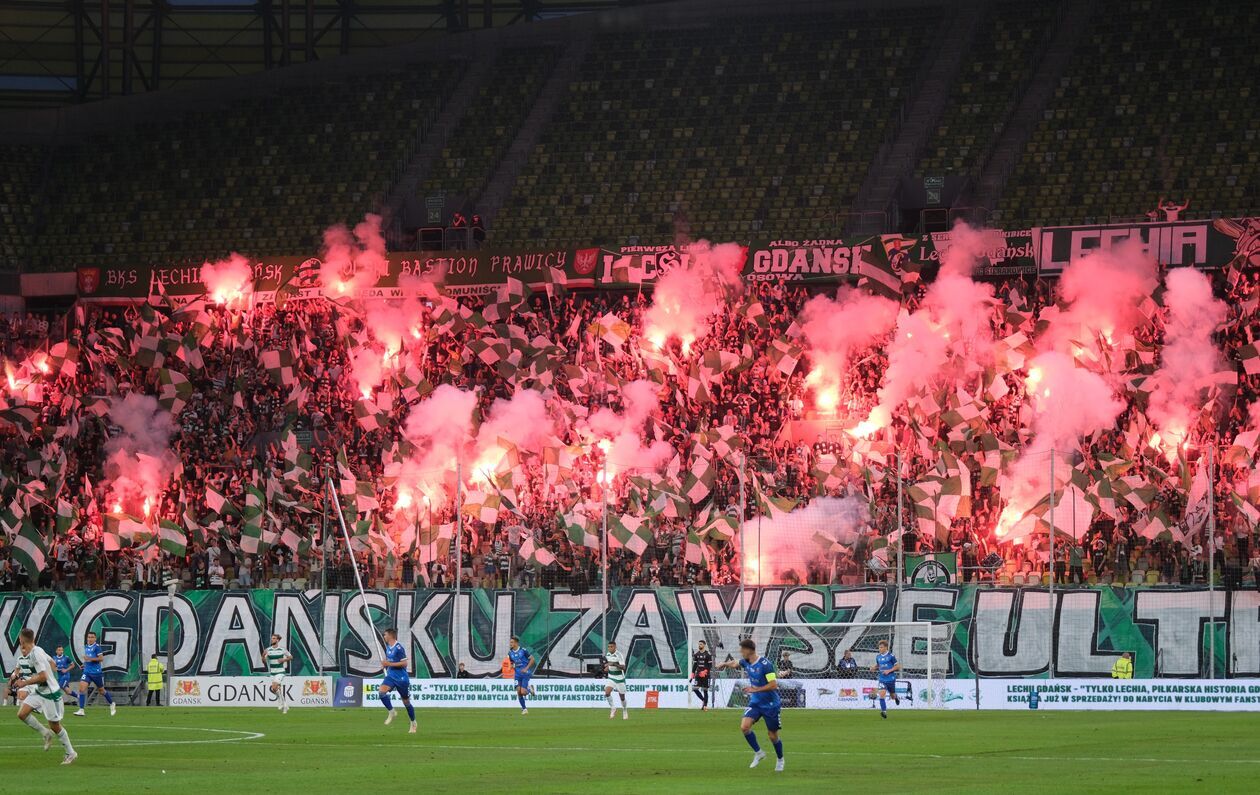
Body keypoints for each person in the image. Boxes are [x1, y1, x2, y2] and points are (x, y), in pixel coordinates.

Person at [10, 628, 77, 765]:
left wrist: (25, 682)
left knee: (55, 726)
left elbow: (43, 677)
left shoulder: (36, 654)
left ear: (21, 641)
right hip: (40, 691)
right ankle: (45, 733)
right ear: (33, 639)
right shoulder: (38, 650)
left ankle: (71, 752)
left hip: (50, 694)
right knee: (22, 714)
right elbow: (52, 663)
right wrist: (52, 676)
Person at [716, 639, 784, 772]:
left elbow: (773, 685)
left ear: (748, 650)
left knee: (772, 735)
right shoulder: (746, 661)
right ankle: (759, 753)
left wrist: (756, 689)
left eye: (742, 649)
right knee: (744, 727)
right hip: (756, 703)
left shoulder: (766, 665)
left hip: (770, 704)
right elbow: (735, 663)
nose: (740, 652)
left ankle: (780, 759)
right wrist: (724, 664)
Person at [379, 628, 417, 733]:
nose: (384, 636)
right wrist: (385, 664)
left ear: (390, 636)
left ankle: (413, 722)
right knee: (381, 692)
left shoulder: (399, 648)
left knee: (406, 702)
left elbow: (404, 664)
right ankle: (391, 711)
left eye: (385, 635)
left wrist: (389, 664)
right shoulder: (388, 647)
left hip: (401, 679)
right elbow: (390, 661)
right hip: (391, 676)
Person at [75, 631, 115, 716]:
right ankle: (81, 710)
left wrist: (89, 659)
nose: (90, 639)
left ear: (95, 638)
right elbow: (88, 659)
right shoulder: (86, 646)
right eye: (89, 637)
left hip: (96, 673)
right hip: (87, 672)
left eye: (92, 637)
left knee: (101, 691)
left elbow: (101, 658)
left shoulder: (97, 647)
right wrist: (84, 664)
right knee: (81, 689)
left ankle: (112, 703)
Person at [871, 639, 900, 719]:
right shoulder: (878, 657)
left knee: (892, 696)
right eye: (879, 647)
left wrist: (889, 671)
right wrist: (874, 668)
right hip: (882, 679)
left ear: (886, 647)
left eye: (881, 647)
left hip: (890, 679)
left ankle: (896, 697)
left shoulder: (891, 656)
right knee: (882, 694)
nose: (879, 649)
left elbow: (898, 666)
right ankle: (884, 712)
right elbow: (878, 665)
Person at [263, 634, 292, 714]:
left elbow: (291, 657)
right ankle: (285, 704)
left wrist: (283, 660)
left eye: (274, 638)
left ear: (278, 640)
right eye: (272, 638)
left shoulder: (282, 649)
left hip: (280, 672)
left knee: (275, 686)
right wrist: (263, 656)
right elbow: (264, 661)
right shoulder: (268, 650)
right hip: (272, 672)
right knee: (274, 689)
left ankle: (280, 702)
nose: (272, 639)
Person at [507, 636, 536, 715]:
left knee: (523, 692)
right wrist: (512, 666)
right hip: (517, 674)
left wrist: (526, 668)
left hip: (525, 673)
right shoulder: (510, 653)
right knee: (518, 692)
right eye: (510, 642)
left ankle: (529, 689)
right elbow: (512, 662)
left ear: (516, 643)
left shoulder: (523, 650)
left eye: (512, 642)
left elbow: (532, 659)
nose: (510, 644)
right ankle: (524, 709)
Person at [602, 640, 628, 720]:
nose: (610, 648)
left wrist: (613, 664)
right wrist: (607, 667)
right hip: (611, 677)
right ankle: (613, 708)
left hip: (619, 679)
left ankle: (624, 710)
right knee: (607, 693)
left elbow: (623, 667)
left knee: (622, 697)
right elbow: (609, 664)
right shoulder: (608, 654)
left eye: (611, 647)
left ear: (615, 647)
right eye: (608, 647)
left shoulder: (619, 655)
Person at [690, 640, 714, 711]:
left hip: (706, 675)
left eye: (701, 644)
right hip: (698, 675)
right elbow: (695, 665)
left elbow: (710, 665)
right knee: (695, 689)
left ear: (704, 645)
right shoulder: (696, 654)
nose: (699, 645)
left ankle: (705, 706)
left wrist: (705, 671)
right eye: (699, 644)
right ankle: (704, 700)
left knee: (705, 690)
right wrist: (692, 674)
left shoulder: (708, 655)